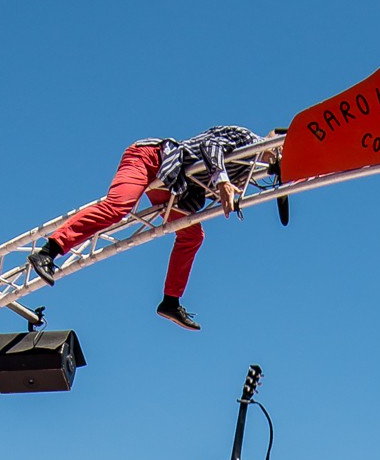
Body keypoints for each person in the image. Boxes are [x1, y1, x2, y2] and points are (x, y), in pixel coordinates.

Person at [27, 126, 274, 330]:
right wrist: (222, 180)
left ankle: (170, 301)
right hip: (149, 157)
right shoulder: (247, 139)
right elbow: (210, 145)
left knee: (192, 235)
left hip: (170, 184)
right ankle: (48, 251)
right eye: (280, 148)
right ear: (273, 138)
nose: (278, 155)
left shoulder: (248, 169)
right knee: (118, 207)